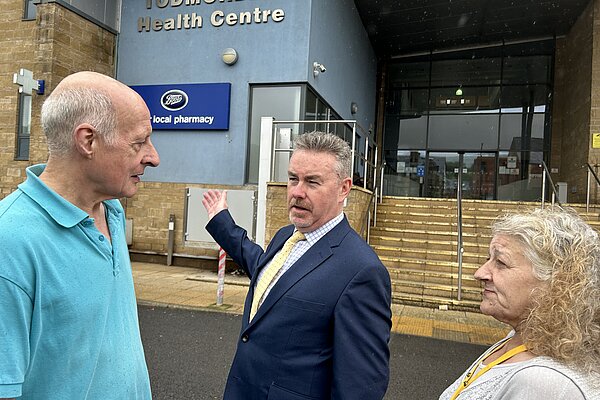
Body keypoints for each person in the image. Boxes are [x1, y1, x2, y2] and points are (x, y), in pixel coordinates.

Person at [0, 71, 160, 399]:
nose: (153, 157)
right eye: (139, 142)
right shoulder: (10, 241)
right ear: (87, 140)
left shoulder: (111, 209)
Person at [202, 131, 392, 399]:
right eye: (293, 179)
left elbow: (360, 388)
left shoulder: (362, 271)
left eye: (312, 182)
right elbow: (267, 275)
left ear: (344, 188)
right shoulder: (285, 236)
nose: (297, 192)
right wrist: (223, 223)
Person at [439, 208, 600, 400]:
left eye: (501, 262)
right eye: (488, 259)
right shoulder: (520, 339)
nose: (480, 273)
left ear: (558, 282)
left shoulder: (546, 384)